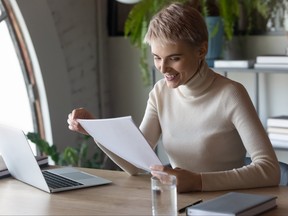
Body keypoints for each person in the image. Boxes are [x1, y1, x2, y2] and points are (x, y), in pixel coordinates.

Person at [67, 2, 280, 192]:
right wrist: (94, 129)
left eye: (174, 58)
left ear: (201, 51)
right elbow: (134, 165)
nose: (163, 68)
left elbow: (269, 170)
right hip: (179, 202)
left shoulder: (231, 94)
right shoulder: (160, 93)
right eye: (157, 58)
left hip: (226, 205)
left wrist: (198, 181)